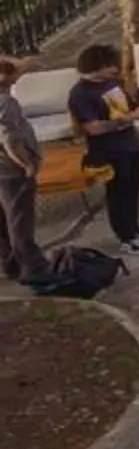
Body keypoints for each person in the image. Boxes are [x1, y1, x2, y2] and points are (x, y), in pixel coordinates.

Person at [66, 43, 139, 255]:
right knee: (118, 193)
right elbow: (94, 128)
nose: (115, 69)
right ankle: (126, 237)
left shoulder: (112, 83)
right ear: (97, 67)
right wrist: (130, 118)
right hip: (109, 151)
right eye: (110, 65)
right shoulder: (80, 95)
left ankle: (136, 229)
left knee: (134, 186)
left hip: (130, 144)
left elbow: (128, 105)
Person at [0, 57, 42, 284]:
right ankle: (32, 268)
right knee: (19, 219)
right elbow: (11, 140)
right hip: (10, 169)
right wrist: (27, 164)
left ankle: (8, 265)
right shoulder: (5, 102)